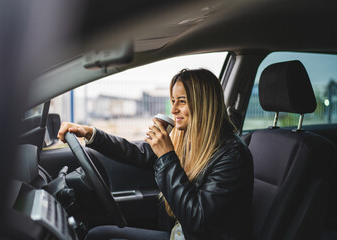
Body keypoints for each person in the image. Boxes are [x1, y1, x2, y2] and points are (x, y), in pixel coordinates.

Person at [57, 68, 254, 240]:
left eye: (182, 102)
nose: (174, 109)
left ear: (203, 104)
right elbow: (136, 153)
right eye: (173, 101)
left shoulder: (232, 156)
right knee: (97, 235)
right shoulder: (188, 139)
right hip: (178, 234)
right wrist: (92, 133)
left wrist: (167, 156)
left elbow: (198, 220)